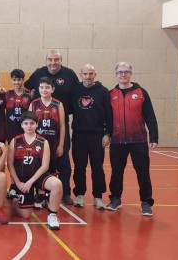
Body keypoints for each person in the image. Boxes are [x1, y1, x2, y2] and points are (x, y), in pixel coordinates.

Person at [25, 50, 79, 205]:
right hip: (40, 135)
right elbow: (27, 88)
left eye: (56, 59)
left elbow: (63, 123)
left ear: (61, 60)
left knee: (63, 162)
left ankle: (65, 192)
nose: (53, 62)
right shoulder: (38, 74)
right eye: (50, 59)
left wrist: (61, 143)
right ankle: (40, 193)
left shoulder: (69, 75)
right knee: (40, 163)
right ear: (46, 60)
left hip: (58, 131)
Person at [107, 62, 158, 216]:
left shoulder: (141, 92)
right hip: (117, 141)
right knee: (116, 172)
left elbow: (150, 116)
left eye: (126, 72)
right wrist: (106, 134)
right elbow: (106, 118)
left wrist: (154, 137)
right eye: (120, 72)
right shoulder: (110, 94)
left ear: (131, 74)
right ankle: (115, 198)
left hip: (138, 140)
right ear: (116, 74)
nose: (123, 74)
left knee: (143, 172)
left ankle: (146, 202)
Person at [7, 111, 63, 230]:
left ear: (37, 124)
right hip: (22, 178)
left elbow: (45, 166)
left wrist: (30, 182)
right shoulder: (15, 141)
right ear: (21, 125)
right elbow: (10, 164)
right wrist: (17, 183)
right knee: (26, 215)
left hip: (37, 177)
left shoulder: (43, 142)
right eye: (26, 123)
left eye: (32, 123)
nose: (29, 126)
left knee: (57, 184)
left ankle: (52, 215)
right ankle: (15, 201)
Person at [71, 64, 112, 209]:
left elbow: (109, 114)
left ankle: (98, 196)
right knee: (79, 167)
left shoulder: (103, 92)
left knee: (97, 167)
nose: (88, 77)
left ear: (95, 74)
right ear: (81, 74)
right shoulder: (75, 90)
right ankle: (80, 195)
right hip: (79, 135)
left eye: (90, 74)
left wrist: (107, 134)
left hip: (97, 136)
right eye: (85, 74)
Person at [28, 77, 65, 209]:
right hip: (37, 143)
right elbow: (29, 124)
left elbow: (62, 126)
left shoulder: (58, 104)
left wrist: (61, 145)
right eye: (42, 87)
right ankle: (40, 194)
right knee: (38, 168)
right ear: (38, 89)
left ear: (53, 89)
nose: (44, 90)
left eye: (47, 87)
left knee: (51, 169)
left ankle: (50, 195)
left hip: (53, 142)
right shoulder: (34, 103)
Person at [6, 69, 32, 143]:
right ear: (11, 80)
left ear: (23, 80)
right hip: (11, 129)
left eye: (19, 80)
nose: (16, 82)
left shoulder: (29, 94)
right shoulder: (7, 93)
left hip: (25, 128)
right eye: (14, 80)